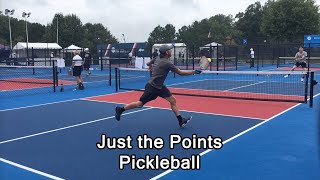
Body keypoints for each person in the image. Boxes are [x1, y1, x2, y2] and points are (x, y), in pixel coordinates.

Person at [115, 44, 202, 128]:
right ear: (167, 53)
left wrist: (152, 67)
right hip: (152, 88)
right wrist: (194, 71)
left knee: (173, 100)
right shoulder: (167, 63)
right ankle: (120, 109)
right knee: (139, 104)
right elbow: (181, 73)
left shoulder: (157, 58)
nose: (171, 50)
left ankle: (180, 120)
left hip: (160, 87)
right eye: (169, 50)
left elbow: (148, 63)